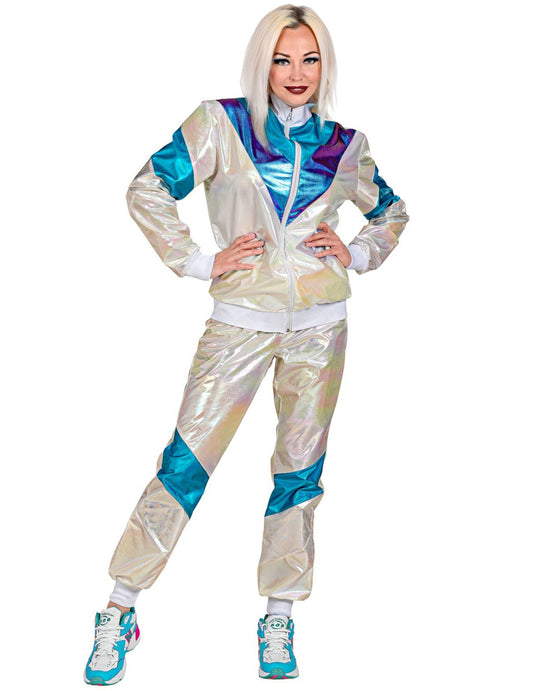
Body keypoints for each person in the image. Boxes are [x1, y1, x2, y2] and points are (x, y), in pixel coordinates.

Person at [84, 3, 409, 684]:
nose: (296, 73)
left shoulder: (344, 145)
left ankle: (279, 612)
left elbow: (391, 211)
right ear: (262, 63)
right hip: (239, 321)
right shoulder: (221, 124)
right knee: (185, 462)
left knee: (299, 470)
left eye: (310, 59)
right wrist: (199, 261)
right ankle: (120, 605)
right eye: (282, 59)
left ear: (325, 66)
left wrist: (355, 252)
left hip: (320, 326)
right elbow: (148, 187)